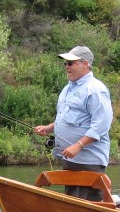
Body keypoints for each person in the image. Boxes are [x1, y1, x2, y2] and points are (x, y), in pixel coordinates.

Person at [33, 45, 113, 201]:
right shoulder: (67, 89)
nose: (66, 67)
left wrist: (78, 146)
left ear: (85, 64)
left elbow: (101, 125)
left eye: (70, 63)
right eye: (65, 63)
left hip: (88, 161)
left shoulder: (96, 90)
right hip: (70, 161)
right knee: (73, 205)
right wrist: (49, 128)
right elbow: (65, 118)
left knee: (88, 206)